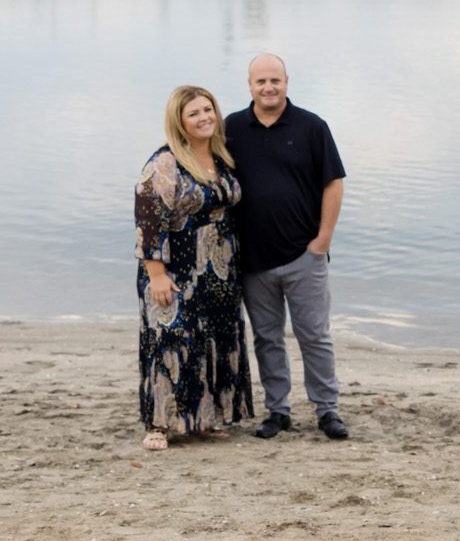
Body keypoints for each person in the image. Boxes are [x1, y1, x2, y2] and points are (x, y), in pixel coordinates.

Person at [224, 53, 349, 441]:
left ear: (287, 82)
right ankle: (278, 410)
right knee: (266, 337)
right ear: (249, 86)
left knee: (314, 335)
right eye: (260, 81)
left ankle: (327, 410)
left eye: (274, 80)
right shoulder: (231, 128)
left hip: (303, 255)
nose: (268, 87)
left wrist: (322, 240)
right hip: (253, 259)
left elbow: (334, 183)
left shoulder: (311, 126)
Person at [135, 85, 254, 451]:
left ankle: (202, 420)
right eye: (194, 113)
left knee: (213, 341)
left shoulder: (221, 158)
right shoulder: (165, 163)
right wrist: (156, 273)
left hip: (219, 270)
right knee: (170, 340)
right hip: (177, 270)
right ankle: (159, 424)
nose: (204, 118)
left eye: (208, 110)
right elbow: (148, 221)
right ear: (180, 122)